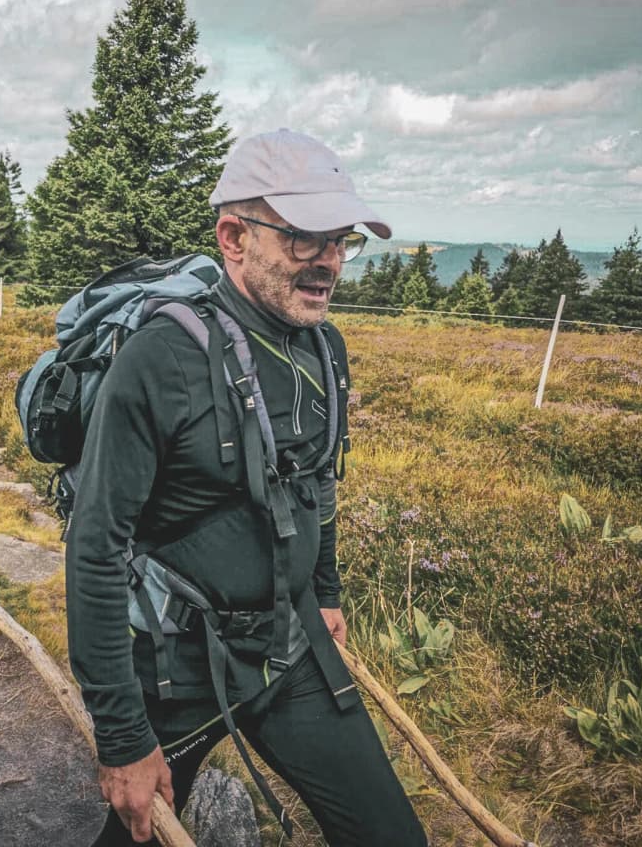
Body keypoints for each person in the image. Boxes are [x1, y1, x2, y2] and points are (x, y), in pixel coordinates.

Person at [65, 129, 428, 846]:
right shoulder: (162, 358)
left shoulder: (325, 348)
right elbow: (96, 547)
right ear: (234, 236)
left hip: (287, 646)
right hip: (177, 668)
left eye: (340, 240)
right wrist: (121, 736)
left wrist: (324, 591)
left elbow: (317, 480)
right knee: (135, 838)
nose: (328, 261)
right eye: (304, 239)